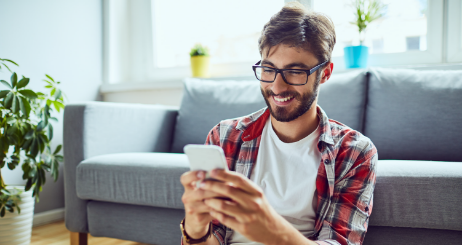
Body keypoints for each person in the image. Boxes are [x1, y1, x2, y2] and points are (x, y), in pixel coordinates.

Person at [179, 2, 378, 245]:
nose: (277, 87)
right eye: (268, 69)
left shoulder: (354, 151)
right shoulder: (225, 137)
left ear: (325, 73)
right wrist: (195, 229)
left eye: (295, 72)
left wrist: (270, 229)